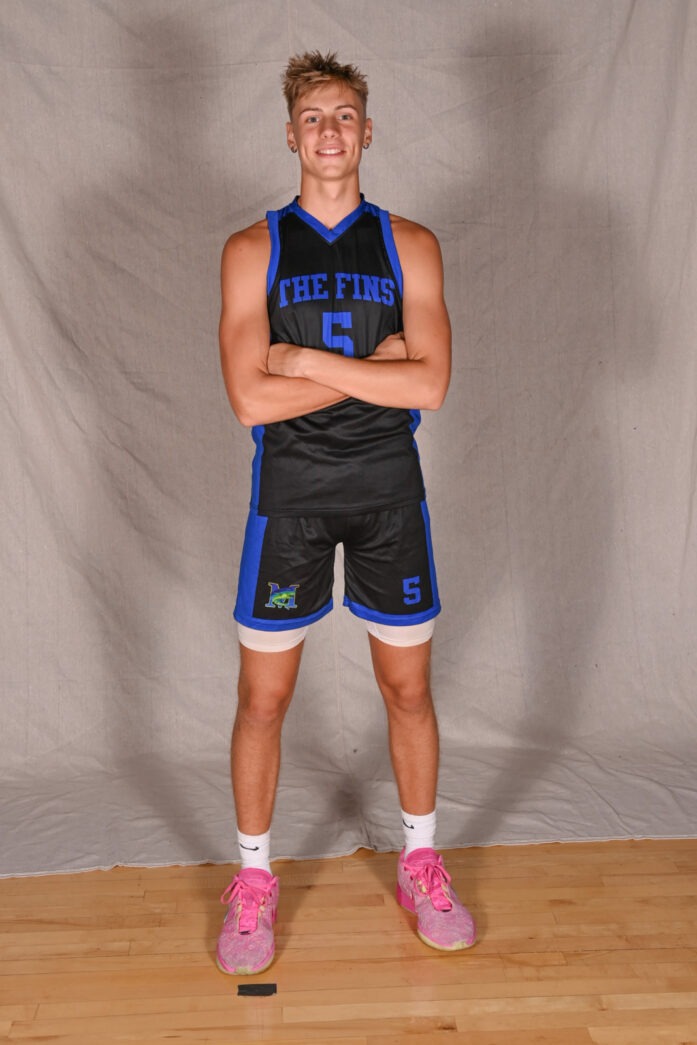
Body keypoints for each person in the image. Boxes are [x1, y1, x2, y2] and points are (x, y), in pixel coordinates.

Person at [216, 51, 476, 976]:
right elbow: (248, 402)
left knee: (407, 690)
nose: (329, 131)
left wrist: (304, 364)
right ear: (291, 135)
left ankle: (418, 859)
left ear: (368, 133)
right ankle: (252, 880)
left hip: (386, 493)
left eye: (345, 116)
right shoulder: (253, 249)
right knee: (264, 699)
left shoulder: (410, 243)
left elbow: (434, 382)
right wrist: (378, 371)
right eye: (314, 118)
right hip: (287, 499)